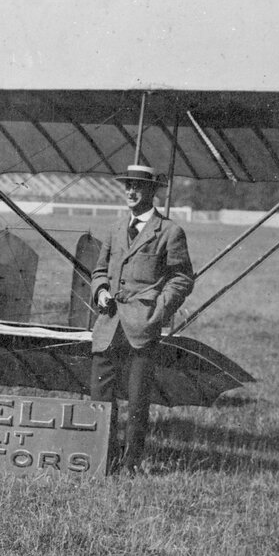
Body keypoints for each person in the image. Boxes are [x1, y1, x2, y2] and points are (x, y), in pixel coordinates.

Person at [88, 163, 195, 473]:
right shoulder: (116, 228)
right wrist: (101, 291)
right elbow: (98, 271)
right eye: (127, 185)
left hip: (142, 328)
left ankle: (131, 463)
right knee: (99, 397)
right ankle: (101, 461)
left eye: (138, 186)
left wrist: (157, 313)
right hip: (109, 325)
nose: (131, 191)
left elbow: (181, 279)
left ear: (152, 192)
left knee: (137, 403)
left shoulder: (170, 231)